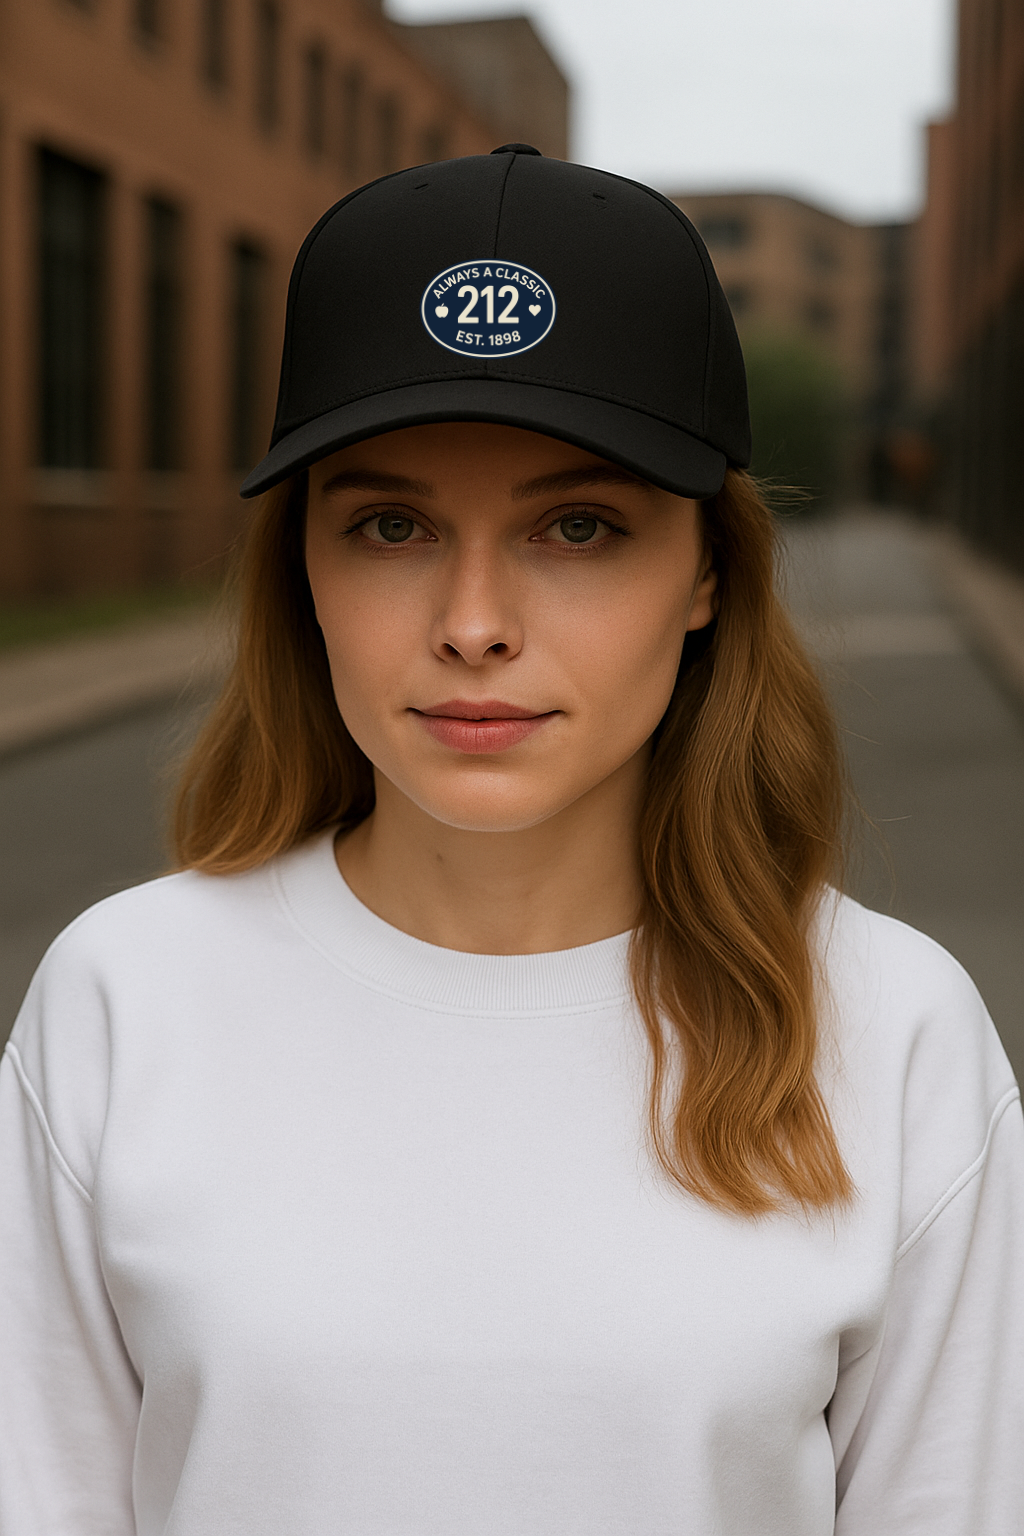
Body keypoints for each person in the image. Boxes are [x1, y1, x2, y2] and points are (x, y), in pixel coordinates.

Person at [1, 146, 1021, 1536]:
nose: (474, 622)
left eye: (579, 526)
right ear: (302, 566)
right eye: (392, 523)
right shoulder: (122, 997)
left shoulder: (896, 1033)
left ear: (709, 571)